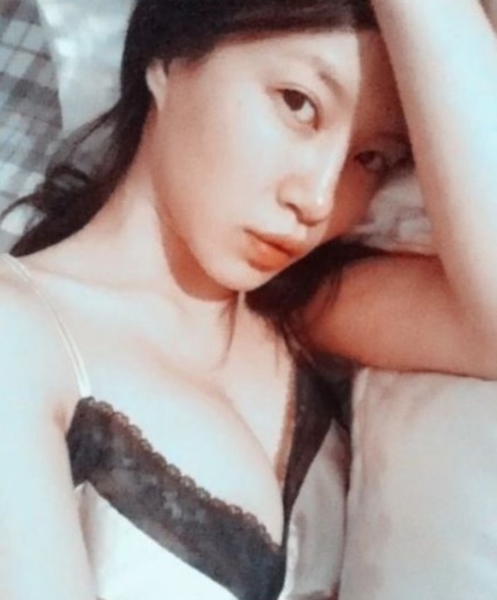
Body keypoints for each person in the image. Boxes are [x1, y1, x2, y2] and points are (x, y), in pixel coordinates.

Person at [0, 0, 496, 599]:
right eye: (298, 104)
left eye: (371, 159)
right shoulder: (20, 336)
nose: (317, 197)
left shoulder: (306, 314)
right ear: (169, 56)